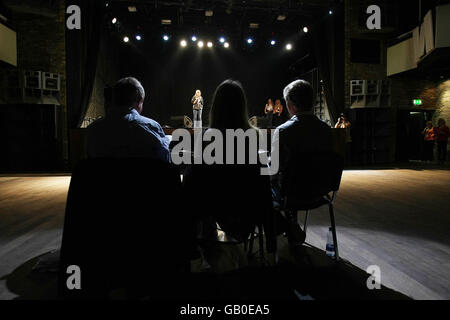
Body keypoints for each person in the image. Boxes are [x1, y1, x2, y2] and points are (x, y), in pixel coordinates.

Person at [270, 80, 334, 245]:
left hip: (291, 193)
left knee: (261, 187)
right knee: (293, 181)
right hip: (320, 192)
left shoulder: (283, 131)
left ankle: (285, 226)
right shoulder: (328, 132)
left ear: (290, 104)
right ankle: (291, 225)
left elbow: (273, 170)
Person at [86, 77, 170, 162]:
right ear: (139, 101)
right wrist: (166, 141)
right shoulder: (151, 126)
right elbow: (165, 163)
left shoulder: (92, 130)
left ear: (113, 99)